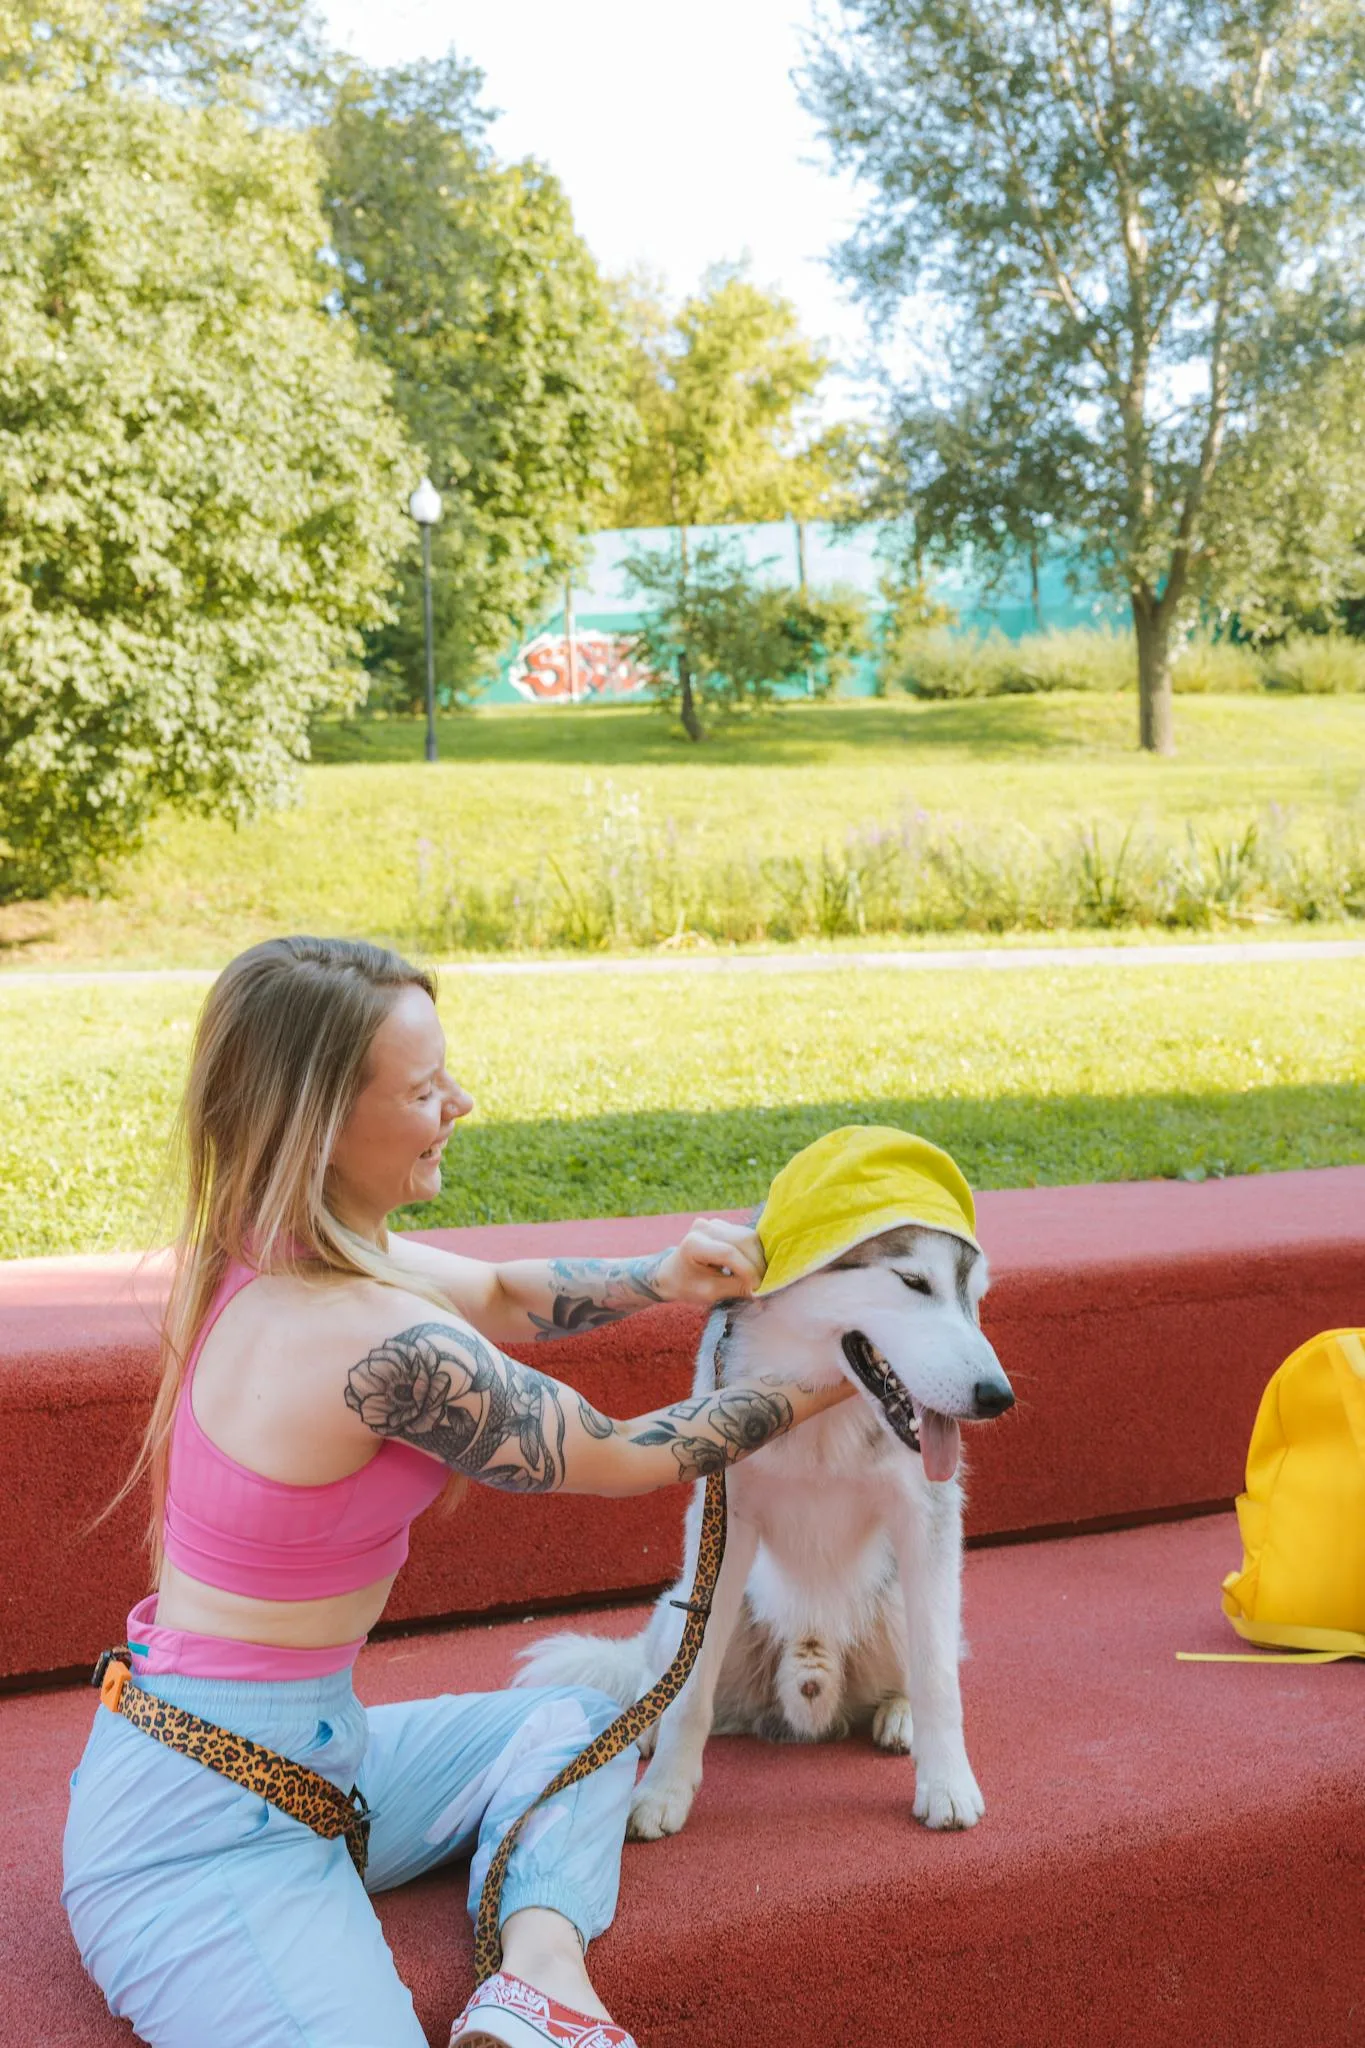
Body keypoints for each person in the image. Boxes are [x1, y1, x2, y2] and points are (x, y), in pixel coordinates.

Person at [62, 936, 854, 2048]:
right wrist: (833, 1372)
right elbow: (626, 1451)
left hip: (306, 1762)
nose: (463, 1103)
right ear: (321, 1123)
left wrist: (662, 1277)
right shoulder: (367, 1337)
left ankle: (536, 1981)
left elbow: (496, 1288)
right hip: (199, 1834)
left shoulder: (288, 1246)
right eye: (428, 1089)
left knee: (583, 1713)